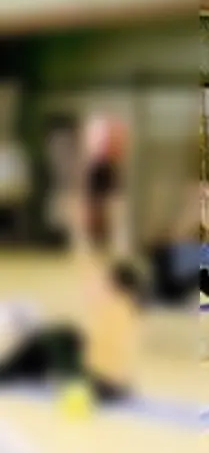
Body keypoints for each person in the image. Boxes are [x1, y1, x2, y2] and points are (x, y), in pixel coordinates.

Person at [0, 166, 142, 404]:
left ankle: (10, 373)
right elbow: (111, 249)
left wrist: (80, 220)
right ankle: (24, 371)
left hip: (99, 384)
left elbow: (97, 251)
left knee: (56, 338)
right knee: (60, 334)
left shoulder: (112, 300)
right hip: (115, 383)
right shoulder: (126, 301)